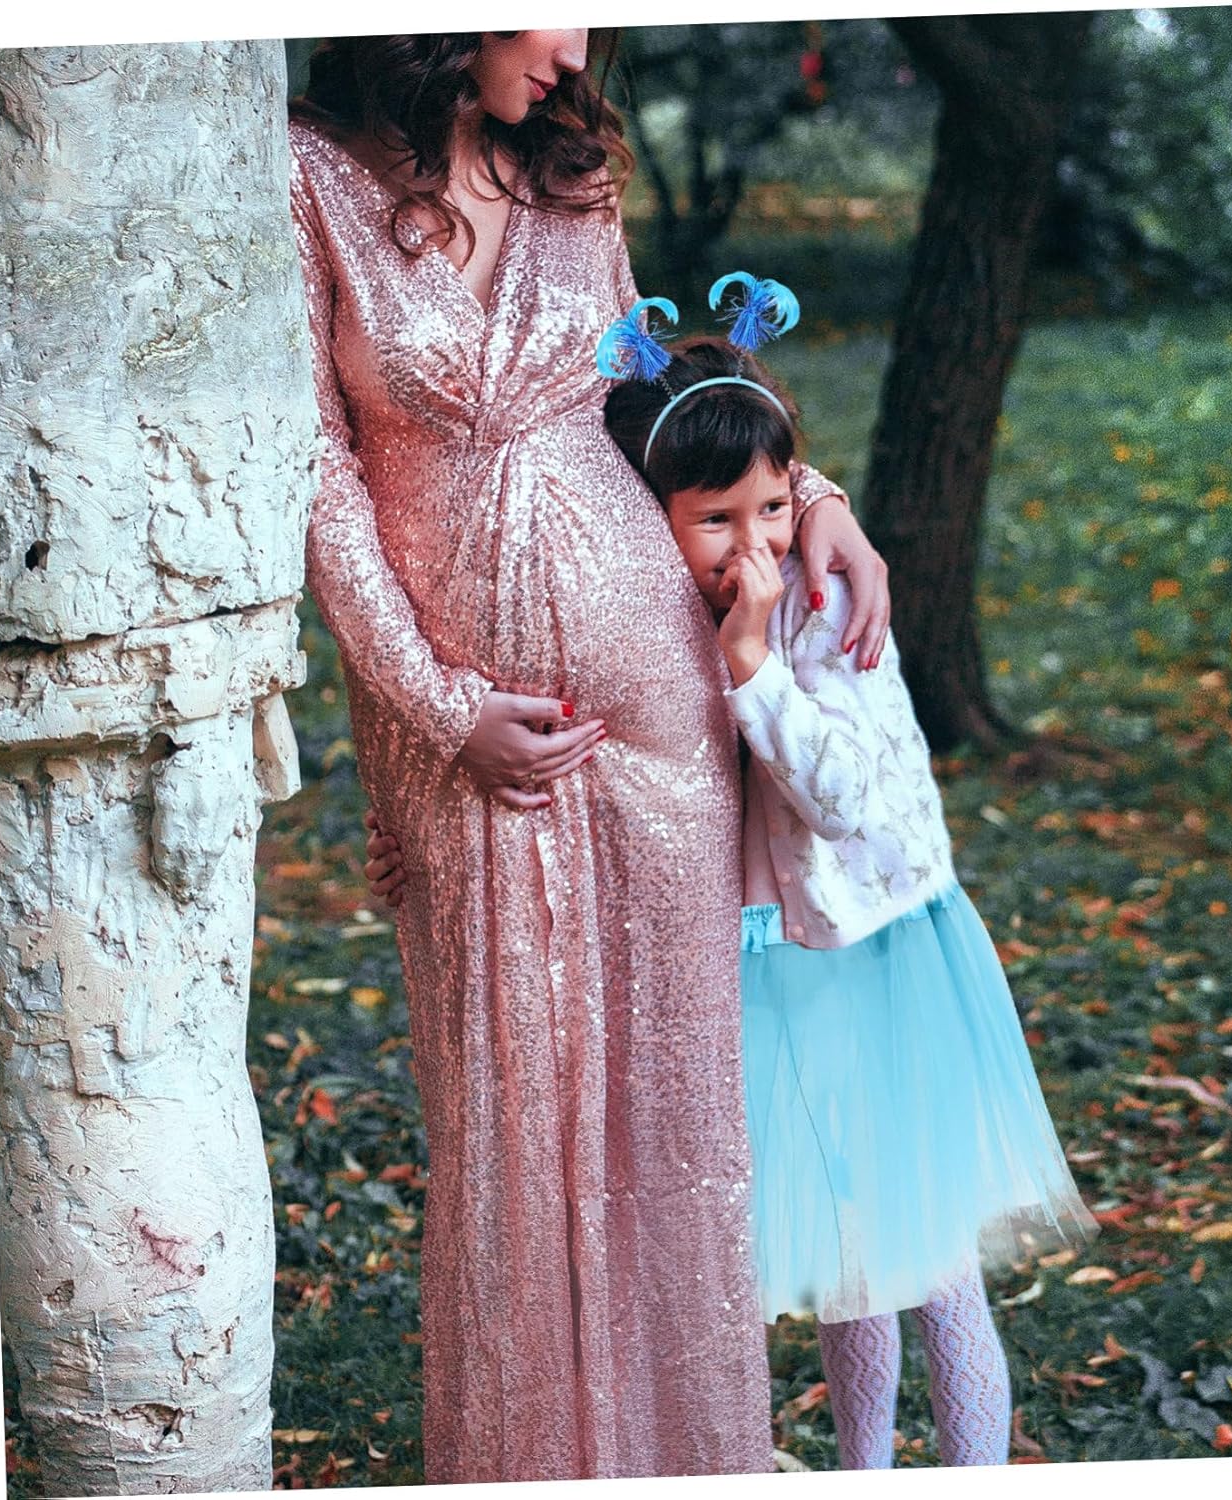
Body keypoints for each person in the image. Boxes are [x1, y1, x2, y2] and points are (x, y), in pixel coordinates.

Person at [286, 31, 891, 1485]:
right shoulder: (306, 178)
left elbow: (646, 406)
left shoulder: (567, 168)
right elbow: (314, 469)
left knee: (675, 1122)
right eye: (555, 11)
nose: (574, 51)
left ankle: (694, 1460)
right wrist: (440, 710)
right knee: (506, 1130)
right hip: (476, 743)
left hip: (663, 718)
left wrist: (814, 495)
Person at [600, 310, 1099, 1469]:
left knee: (934, 1265)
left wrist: (754, 664)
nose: (753, 543)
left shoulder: (820, 607)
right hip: (780, 960)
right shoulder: (673, 603)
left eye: (774, 508)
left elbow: (844, 799)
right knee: (845, 1263)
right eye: (715, 521)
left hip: (878, 959)